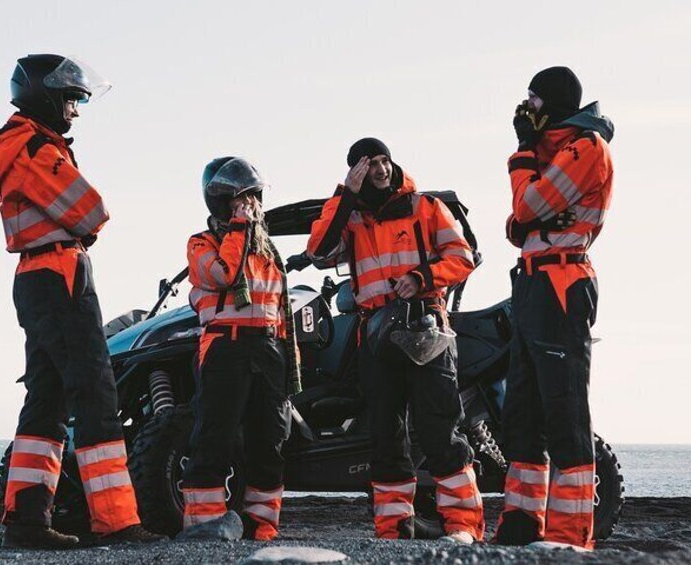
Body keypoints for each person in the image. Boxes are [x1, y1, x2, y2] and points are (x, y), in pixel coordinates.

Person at [0, 54, 159, 548]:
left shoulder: (15, 148)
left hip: (36, 276)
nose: (76, 110)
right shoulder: (34, 149)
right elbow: (91, 211)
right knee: (96, 394)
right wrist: (81, 223)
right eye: (71, 99)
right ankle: (116, 522)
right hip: (60, 274)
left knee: (47, 399)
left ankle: (27, 522)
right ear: (45, 97)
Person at [307, 138, 484, 543]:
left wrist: (421, 278)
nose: (381, 170)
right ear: (356, 172)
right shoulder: (351, 219)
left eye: (384, 161)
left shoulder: (426, 207)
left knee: (439, 430)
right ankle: (393, 529)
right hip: (376, 336)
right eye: (370, 164)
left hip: (427, 330)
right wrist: (344, 196)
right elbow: (318, 250)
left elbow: (463, 257)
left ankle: (463, 527)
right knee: (385, 436)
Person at [494, 66, 615, 552]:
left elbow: (526, 208)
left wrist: (524, 155)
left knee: (564, 407)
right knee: (522, 409)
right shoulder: (555, 152)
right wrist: (530, 212)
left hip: (562, 283)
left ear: (555, 100)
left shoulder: (586, 147)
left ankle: (569, 533)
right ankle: (523, 524)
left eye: (534, 98)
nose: (527, 108)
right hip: (532, 281)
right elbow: (517, 225)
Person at [181, 157, 298, 541]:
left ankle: (261, 527)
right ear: (222, 201)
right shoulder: (202, 244)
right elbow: (225, 274)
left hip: (267, 350)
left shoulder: (267, 251)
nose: (252, 204)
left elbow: (278, 308)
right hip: (224, 348)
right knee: (215, 437)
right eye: (243, 197)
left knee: (269, 442)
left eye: (255, 197)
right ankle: (204, 523)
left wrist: (287, 360)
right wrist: (239, 228)